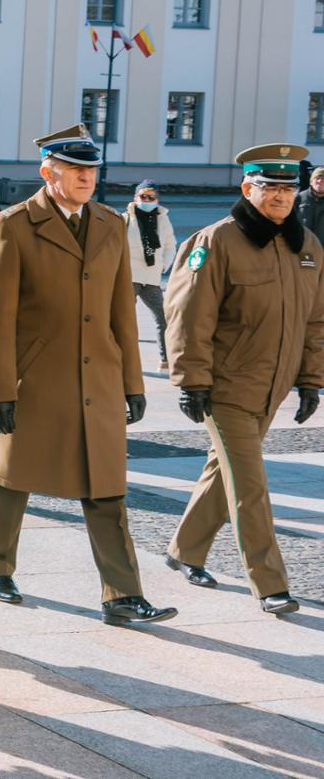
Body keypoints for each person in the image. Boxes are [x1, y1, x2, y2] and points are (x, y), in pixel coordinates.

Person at [0, 125, 177, 625]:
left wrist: (132, 381)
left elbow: (121, 314)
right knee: (12, 473)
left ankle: (123, 594)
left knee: (106, 485)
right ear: (49, 172)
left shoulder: (111, 223)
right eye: (77, 169)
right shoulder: (13, 225)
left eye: (92, 169)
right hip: (36, 374)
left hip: (100, 376)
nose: (88, 176)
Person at [163, 143, 323, 615]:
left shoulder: (307, 247)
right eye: (269, 187)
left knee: (224, 471)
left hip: (272, 387)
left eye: (287, 188)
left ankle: (184, 551)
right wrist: (191, 380)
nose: (280, 197)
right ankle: (269, 582)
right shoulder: (215, 241)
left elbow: (316, 321)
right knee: (250, 483)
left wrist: (311, 379)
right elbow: (188, 316)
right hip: (226, 386)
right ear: (246, 188)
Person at [125, 181, 177, 371]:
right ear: (135, 198)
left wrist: (164, 266)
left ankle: (165, 359)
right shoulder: (125, 219)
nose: (147, 200)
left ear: (157, 199)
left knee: (163, 318)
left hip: (153, 278)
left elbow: (171, 245)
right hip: (130, 278)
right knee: (125, 321)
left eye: (151, 197)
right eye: (143, 197)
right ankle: (125, 360)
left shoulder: (163, 219)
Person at [297, 166, 324, 242]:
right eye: (317, 178)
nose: (320, 181)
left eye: (323, 179)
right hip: (302, 248)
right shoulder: (299, 198)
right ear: (311, 181)